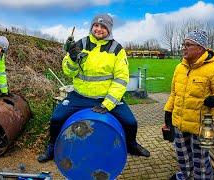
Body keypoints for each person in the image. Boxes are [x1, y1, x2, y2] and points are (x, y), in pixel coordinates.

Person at [38, 14, 150, 163]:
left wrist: (108, 103)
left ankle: (131, 145)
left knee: (130, 122)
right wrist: (71, 58)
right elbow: (68, 71)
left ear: (109, 30)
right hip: (80, 96)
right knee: (57, 118)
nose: (99, 29)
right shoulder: (80, 44)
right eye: (96, 25)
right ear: (92, 27)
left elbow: (121, 79)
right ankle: (52, 147)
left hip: (105, 98)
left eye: (103, 27)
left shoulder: (117, 49)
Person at [163, 30, 214, 180]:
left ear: (200, 48)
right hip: (180, 121)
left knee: (201, 160)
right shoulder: (180, 68)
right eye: (183, 45)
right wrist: (168, 111)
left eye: (188, 45)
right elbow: (174, 94)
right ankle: (184, 176)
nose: (183, 48)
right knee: (182, 155)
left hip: (203, 124)